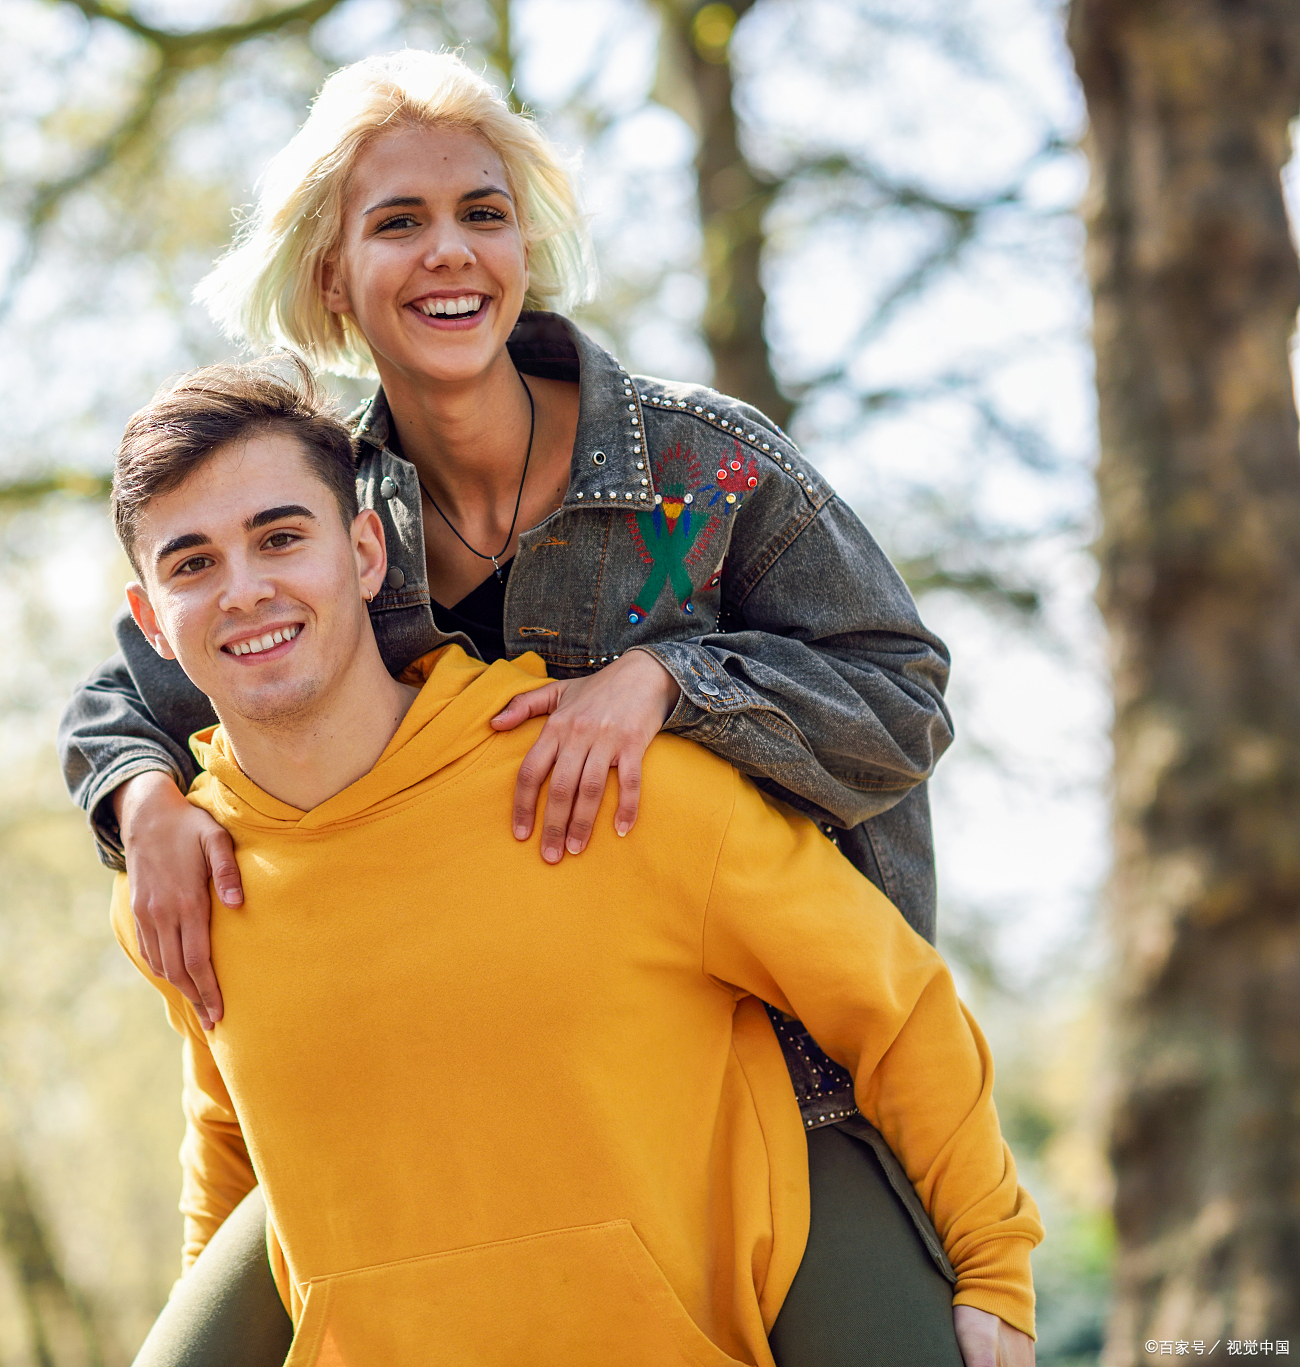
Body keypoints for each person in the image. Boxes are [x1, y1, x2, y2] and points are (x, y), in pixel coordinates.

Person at [57, 49, 960, 1366]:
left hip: (754, 1069)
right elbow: (129, 687)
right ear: (331, 274)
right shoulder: (319, 511)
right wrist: (140, 798)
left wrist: (667, 681)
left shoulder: (698, 472)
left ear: (523, 243)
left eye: (483, 212)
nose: (452, 254)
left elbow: (902, 695)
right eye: (399, 222)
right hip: (426, 1093)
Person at [101, 361, 1039, 1367]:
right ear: (150, 621)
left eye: (280, 537)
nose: (245, 589)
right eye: (191, 563)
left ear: (366, 551)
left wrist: (994, 1263)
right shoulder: (186, 876)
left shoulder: (609, 788)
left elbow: (891, 1001)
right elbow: (231, 1128)